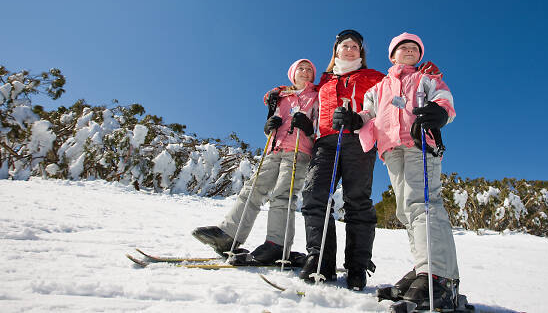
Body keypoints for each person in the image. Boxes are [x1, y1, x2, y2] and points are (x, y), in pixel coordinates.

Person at [358, 32, 461, 310]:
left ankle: (438, 275)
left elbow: (443, 99)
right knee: (406, 210)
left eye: (414, 48)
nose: (409, 51)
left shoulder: (426, 78)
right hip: (391, 149)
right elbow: (367, 111)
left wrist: (440, 113)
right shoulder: (380, 87)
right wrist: (356, 118)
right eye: (403, 48)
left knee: (423, 204)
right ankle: (424, 268)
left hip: (419, 144)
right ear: (392, 55)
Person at [192, 59, 319, 266]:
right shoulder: (281, 97)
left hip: (298, 150)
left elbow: (322, 125)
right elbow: (274, 122)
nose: (305, 72)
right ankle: (229, 235)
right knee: (253, 189)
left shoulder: (316, 96)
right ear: (293, 74)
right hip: (274, 149)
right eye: (301, 69)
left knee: (283, 195)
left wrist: (309, 127)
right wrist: (269, 125)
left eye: (309, 70)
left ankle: (276, 244)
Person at [298, 29, 385, 290]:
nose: (349, 50)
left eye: (354, 47)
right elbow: (299, 90)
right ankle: (320, 260)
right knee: (314, 195)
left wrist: (359, 117)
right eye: (344, 46)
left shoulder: (374, 78)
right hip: (325, 142)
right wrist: (277, 95)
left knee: (357, 200)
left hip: (359, 141)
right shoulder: (323, 80)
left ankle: (357, 266)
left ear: (361, 53)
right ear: (335, 51)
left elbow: (394, 91)